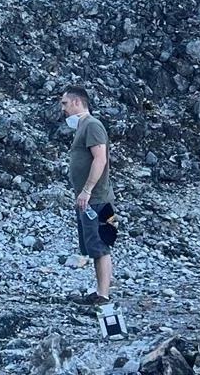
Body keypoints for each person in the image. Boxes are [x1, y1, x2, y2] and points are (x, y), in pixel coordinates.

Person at [61, 85, 116, 304]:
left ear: (76, 102)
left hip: (98, 199)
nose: (63, 108)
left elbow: (100, 159)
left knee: (101, 245)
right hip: (89, 199)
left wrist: (86, 190)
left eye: (65, 103)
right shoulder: (83, 127)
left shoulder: (92, 125)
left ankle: (103, 295)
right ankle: (99, 292)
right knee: (93, 246)